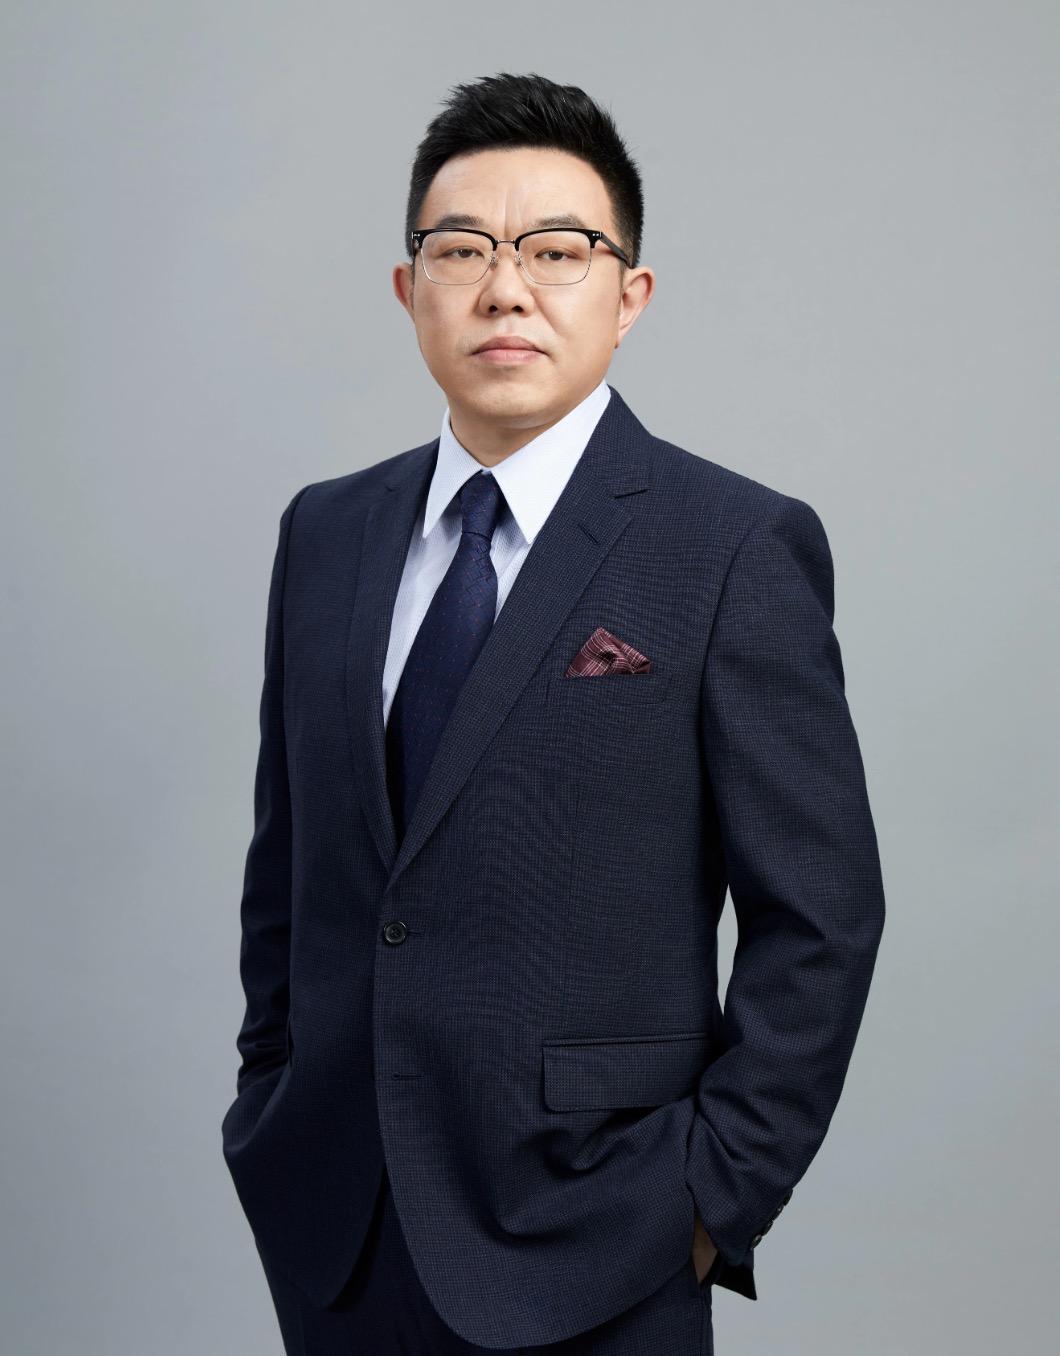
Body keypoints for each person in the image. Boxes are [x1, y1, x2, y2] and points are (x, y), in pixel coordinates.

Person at [221, 72, 886, 1356]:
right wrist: (273, 1099)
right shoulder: (327, 533)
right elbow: (287, 871)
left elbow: (822, 917)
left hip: (602, 1230)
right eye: (460, 249)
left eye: (557, 250)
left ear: (628, 296)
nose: (505, 288)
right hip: (337, 1228)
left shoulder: (730, 546)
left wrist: (711, 1198)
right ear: (408, 288)